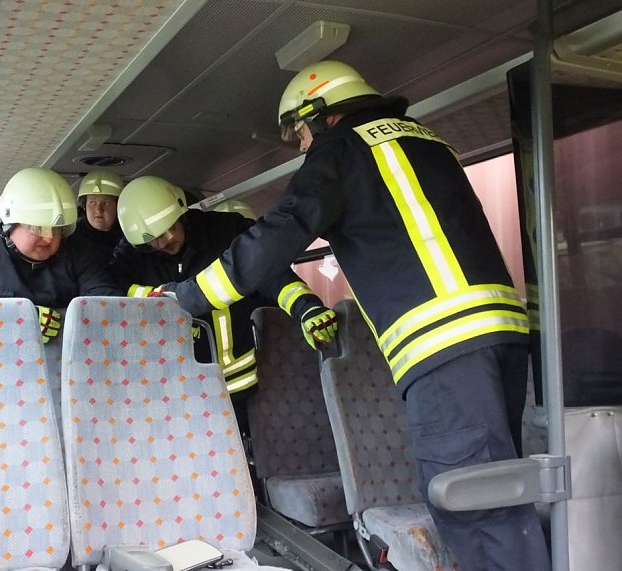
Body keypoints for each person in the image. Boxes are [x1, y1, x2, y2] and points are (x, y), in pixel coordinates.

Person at [162, 60, 550, 570]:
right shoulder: (427, 139)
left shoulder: (341, 149)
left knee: (470, 505)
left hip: (443, 346)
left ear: (322, 114)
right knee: (502, 492)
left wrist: (187, 297)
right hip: (504, 333)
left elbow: (277, 236)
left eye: (300, 133)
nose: (302, 147)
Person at [110, 175, 337, 436]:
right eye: (153, 242)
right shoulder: (129, 257)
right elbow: (110, 294)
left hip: (237, 387)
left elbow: (272, 275)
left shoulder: (228, 231)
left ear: (181, 210)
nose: (166, 242)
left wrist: (306, 308)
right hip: (170, 391)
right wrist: (161, 296)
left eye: (169, 229)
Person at [0, 167, 122, 342]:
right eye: (38, 228)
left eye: (57, 229)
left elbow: (109, 305)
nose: (49, 238)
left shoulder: (78, 249)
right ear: (9, 225)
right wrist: (17, 319)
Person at [75, 169, 125, 264]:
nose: (98, 210)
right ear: (84, 206)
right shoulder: (71, 241)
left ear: (118, 207)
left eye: (106, 203)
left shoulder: (130, 237)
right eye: (92, 202)